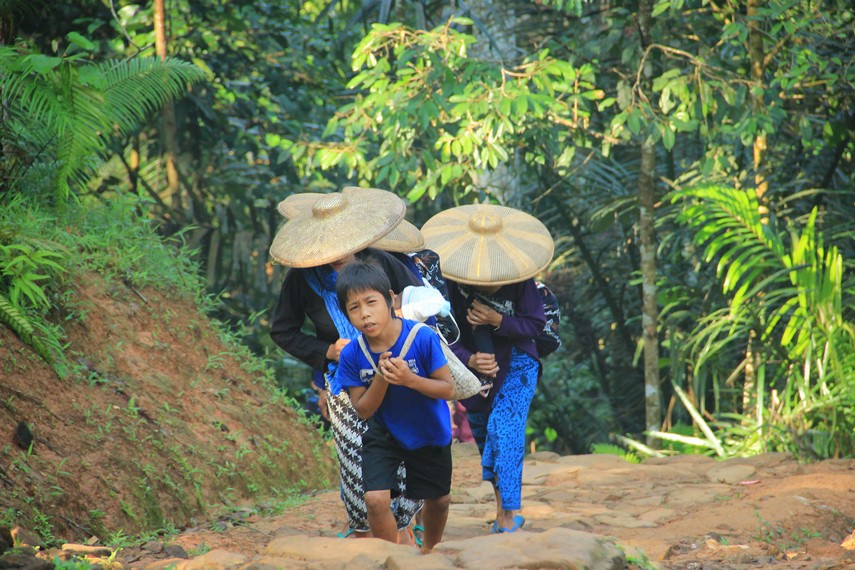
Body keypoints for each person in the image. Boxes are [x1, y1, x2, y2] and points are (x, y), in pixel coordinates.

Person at [268, 188, 423, 542]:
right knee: (357, 466)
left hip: (397, 374)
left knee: (403, 461)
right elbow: (283, 330)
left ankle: (402, 532)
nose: (338, 256)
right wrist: (327, 350)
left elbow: (423, 301)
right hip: (344, 384)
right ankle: (368, 535)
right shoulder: (302, 278)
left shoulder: (381, 262)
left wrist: (400, 317)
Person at [421, 203, 553, 534]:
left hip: (519, 363)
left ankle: (509, 515)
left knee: (504, 429)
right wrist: (469, 358)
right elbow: (441, 333)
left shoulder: (521, 281)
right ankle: (501, 509)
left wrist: (498, 320)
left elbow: (535, 325)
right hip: (473, 372)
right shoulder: (450, 285)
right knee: (484, 434)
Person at [334, 261, 454, 553]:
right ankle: (392, 557)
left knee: (438, 500)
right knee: (375, 500)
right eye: (353, 308)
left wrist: (409, 379)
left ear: (390, 299)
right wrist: (381, 377)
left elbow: (447, 388)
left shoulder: (422, 338)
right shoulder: (352, 353)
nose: (364, 314)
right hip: (383, 432)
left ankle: (429, 552)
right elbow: (363, 410)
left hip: (427, 430)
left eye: (371, 302)